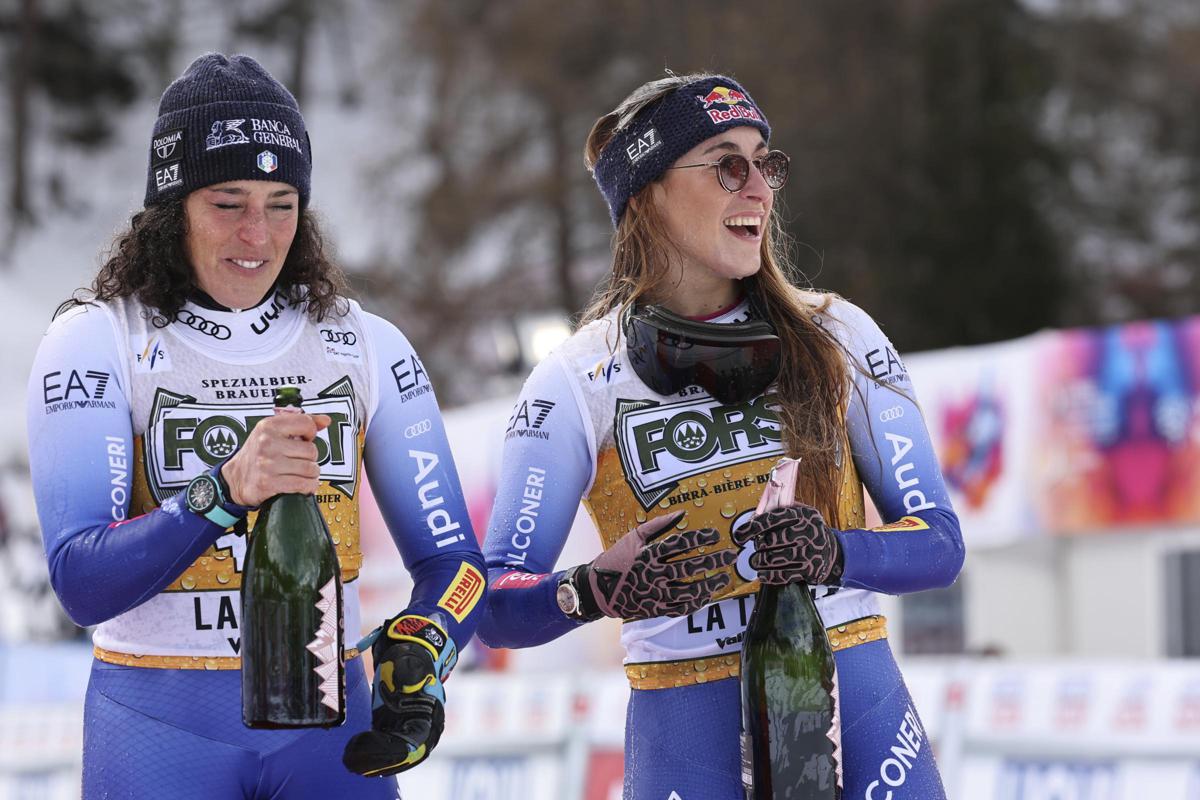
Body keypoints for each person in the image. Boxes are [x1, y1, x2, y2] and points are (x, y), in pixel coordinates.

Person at [477, 72, 965, 798]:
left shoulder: (839, 335)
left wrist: (837, 552)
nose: (759, 189)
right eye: (728, 165)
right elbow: (492, 604)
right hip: (685, 728)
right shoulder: (575, 380)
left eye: (766, 163)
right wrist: (590, 590)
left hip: (855, 699)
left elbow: (940, 544)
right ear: (647, 194)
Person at [26, 53, 485, 798]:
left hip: (329, 735)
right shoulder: (97, 340)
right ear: (172, 209)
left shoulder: (364, 343)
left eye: (281, 203)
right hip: (157, 728)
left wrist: (426, 642)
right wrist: (223, 492)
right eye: (228, 202)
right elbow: (81, 582)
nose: (258, 235)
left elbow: (455, 563)